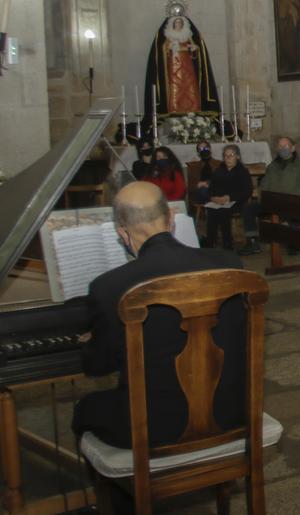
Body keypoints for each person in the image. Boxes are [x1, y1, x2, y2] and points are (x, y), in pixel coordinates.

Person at [73, 184, 245, 483]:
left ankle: (121, 501)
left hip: (152, 426)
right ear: (171, 220)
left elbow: (98, 366)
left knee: (85, 410)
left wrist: (91, 343)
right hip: (231, 413)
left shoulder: (110, 286)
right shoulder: (230, 264)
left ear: (123, 234)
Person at [204, 145, 253, 251]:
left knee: (223, 210)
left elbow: (246, 191)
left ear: (238, 157)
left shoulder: (243, 172)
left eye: (231, 155)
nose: (228, 158)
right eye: (225, 156)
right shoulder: (218, 171)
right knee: (212, 209)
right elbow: (211, 188)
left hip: (236, 202)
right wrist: (213, 198)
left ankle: (227, 243)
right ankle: (210, 242)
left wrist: (229, 197)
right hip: (218, 201)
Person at [187, 140, 221, 205]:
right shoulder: (193, 167)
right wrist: (198, 185)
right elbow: (190, 187)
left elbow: (222, 181)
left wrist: (207, 183)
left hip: (215, 190)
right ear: (198, 153)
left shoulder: (219, 164)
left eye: (205, 148)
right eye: (201, 149)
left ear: (210, 150)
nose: (204, 150)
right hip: (200, 192)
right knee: (204, 190)